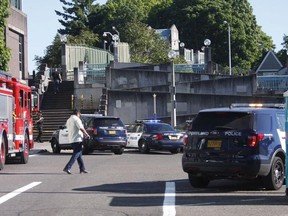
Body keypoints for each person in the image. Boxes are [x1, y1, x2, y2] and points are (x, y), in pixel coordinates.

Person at [63, 109, 90, 174]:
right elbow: (81, 128)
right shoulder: (77, 119)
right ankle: (68, 167)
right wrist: (86, 134)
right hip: (77, 139)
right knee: (76, 153)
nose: (79, 115)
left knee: (79, 154)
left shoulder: (69, 120)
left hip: (72, 139)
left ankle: (82, 168)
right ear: (78, 113)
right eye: (79, 114)